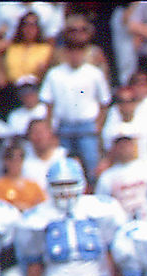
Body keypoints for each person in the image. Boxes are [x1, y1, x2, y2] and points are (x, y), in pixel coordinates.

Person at [39, 22, 110, 179]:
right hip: (63, 127)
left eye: (79, 51)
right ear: (65, 53)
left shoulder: (94, 73)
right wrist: (50, 129)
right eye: (71, 51)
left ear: (84, 53)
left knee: (92, 167)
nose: (75, 55)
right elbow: (48, 104)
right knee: (63, 168)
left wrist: (98, 125)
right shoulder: (54, 74)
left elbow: (104, 102)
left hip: (87, 127)